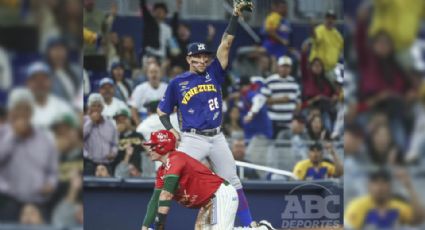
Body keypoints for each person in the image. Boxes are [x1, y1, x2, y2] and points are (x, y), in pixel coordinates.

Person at [157, 2, 258, 226]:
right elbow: (162, 110)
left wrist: (235, 16)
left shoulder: (214, 72)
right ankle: (156, 222)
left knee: (232, 181)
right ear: (188, 59)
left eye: (205, 56)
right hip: (192, 137)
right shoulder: (178, 82)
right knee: (172, 178)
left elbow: (227, 43)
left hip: (217, 136)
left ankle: (249, 224)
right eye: (198, 56)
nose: (202, 59)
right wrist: (171, 129)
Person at [141, 130, 275, 230]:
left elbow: (166, 194)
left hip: (220, 195)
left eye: (153, 145)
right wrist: (145, 227)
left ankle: (262, 228)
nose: (150, 149)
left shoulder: (176, 158)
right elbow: (155, 200)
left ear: (162, 146)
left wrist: (159, 224)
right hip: (207, 203)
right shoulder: (161, 172)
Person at [0, 88, 58, 221]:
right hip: (7, 201)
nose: (21, 113)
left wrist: (50, 184)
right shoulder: (2, 133)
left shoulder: (46, 139)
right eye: (17, 109)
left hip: (38, 202)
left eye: (25, 109)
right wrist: (14, 135)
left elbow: (53, 172)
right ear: (10, 112)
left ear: (31, 112)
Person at [345, 169, 425, 229]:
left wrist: (409, 186)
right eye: (376, 183)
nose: (380, 187)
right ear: (369, 186)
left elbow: (419, 219)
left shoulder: (397, 206)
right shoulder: (358, 205)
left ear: (390, 186)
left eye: (384, 183)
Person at [25, 61, 74, 129]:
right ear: (28, 83)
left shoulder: (63, 107)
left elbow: (73, 132)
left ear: (51, 82)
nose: (39, 82)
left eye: (43, 78)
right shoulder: (20, 108)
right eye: (34, 79)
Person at [264, 56, 301, 138]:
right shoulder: (270, 81)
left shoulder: (294, 82)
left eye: (287, 67)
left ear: (290, 69)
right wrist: (279, 100)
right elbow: (263, 100)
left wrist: (296, 114)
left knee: (286, 147)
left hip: (288, 122)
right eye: (283, 66)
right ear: (278, 67)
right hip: (273, 121)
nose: (285, 69)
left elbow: (298, 101)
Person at [83, 93, 118, 175]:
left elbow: (115, 143)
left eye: (99, 106)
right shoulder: (83, 121)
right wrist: (91, 122)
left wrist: (113, 153)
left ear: (102, 108)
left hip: (107, 163)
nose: (96, 108)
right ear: (89, 107)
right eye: (93, 105)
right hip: (89, 163)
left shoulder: (110, 124)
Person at [309, 9, 343, 73]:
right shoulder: (319, 30)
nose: (330, 20)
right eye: (328, 18)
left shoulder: (337, 35)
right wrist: (312, 27)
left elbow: (342, 48)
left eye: (332, 18)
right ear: (325, 19)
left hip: (331, 69)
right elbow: (315, 38)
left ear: (335, 21)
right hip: (318, 69)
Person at [112, 108, 144, 176]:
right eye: (118, 120)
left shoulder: (138, 135)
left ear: (129, 120)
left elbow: (146, 153)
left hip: (138, 172)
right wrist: (116, 133)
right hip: (120, 172)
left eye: (123, 119)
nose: (121, 122)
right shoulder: (114, 137)